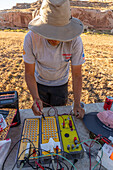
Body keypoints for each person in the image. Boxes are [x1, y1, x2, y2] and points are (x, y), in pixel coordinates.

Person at [23, 0, 85, 119]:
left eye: (60, 35)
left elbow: (77, 74)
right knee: (43, 117)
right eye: (50, 34)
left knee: (58, 117)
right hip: (39, 84)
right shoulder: (30, 38)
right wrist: (36, 98)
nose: (55, 40)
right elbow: (29, 73)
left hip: (61, 85)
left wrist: (77, 103)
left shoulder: (75, 41)